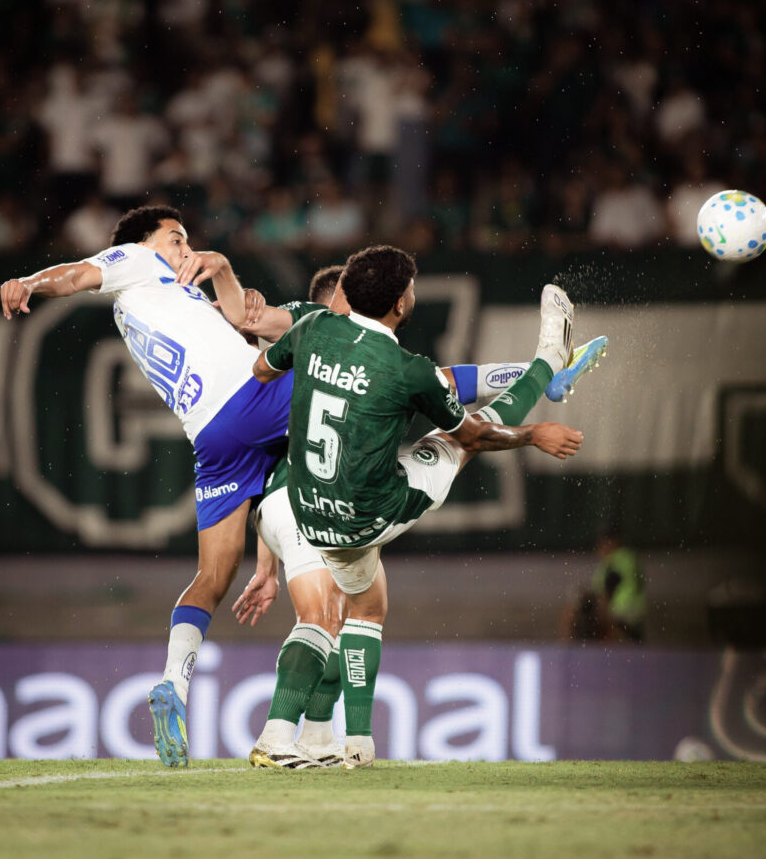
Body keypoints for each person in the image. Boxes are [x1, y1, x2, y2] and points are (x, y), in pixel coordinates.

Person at [249, 245, 585, 768]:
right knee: (459, 443)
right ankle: (548, 356)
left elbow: (263, 370)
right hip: (368, 513)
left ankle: (340, 744)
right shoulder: (409, 370)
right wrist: (533, 434)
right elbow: (477, 432)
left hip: (310, 508)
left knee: (365, 604)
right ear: (402, 304)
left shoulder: (311, 331)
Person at [0, 205, 284, 769]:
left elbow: (243, 321)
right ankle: (459, 410)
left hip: (213, 438)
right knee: (345, 372)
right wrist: (31, 281)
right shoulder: (134, 261)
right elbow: (78, 275)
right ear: (143, 244)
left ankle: (173, 687)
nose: (184, 247)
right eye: (175, 238)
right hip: (247, 399)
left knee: (209, 577)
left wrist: (268, 567)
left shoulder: (179, 297)